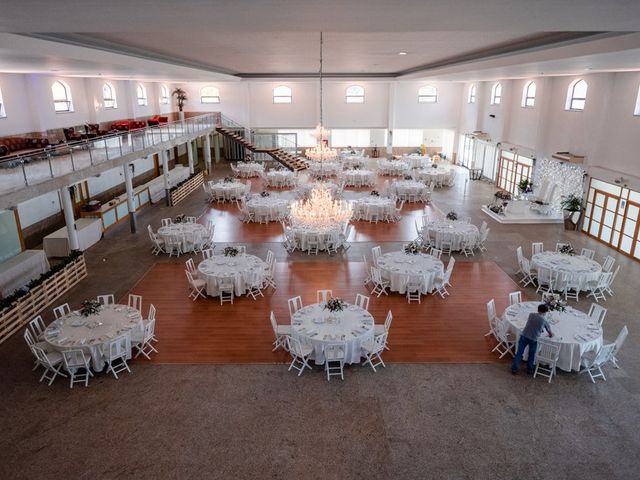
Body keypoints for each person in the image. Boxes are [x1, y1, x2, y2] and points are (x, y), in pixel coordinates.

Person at [511, 304, 553, 375]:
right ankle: (529, 369)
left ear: (538, 309)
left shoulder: (531, 315)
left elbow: (532, 324)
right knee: (531, 354)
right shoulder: (544, 321)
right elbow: (550, 334)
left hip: (524, 335)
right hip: (533, 339)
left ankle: (514, 368)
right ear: (545, 312)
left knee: (519, 353)